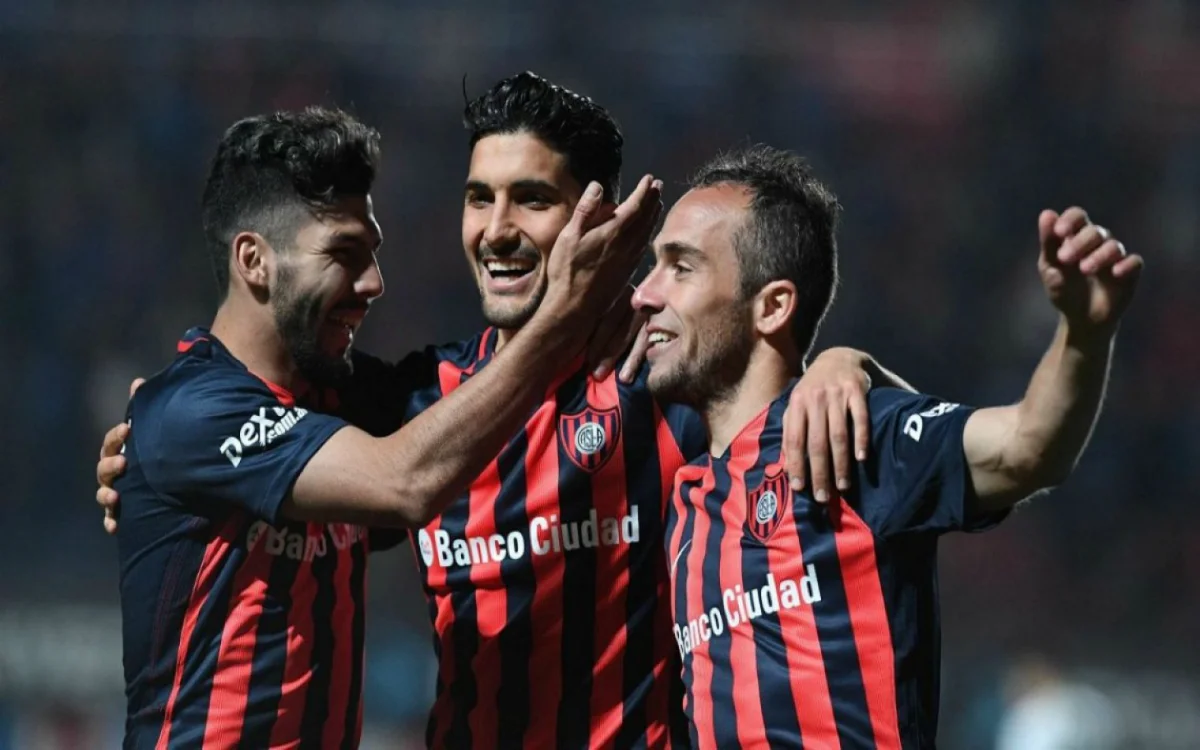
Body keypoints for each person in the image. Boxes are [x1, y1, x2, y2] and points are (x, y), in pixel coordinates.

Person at [97, 74, 906, 748]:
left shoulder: (664, 388)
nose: (497, 230)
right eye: (479, 198)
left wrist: (848, 365)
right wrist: (144, 451)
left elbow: (800, 405)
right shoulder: (411, 402)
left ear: (596, 223)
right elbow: (273, 422)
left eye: (531, 200)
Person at [114, 105, 664, 748]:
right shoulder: (190, 411)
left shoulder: (350, 406)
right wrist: (564, 315)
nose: (374, 283)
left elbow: (464, 421)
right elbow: (406, 483)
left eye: (372, 252)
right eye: (344, 254)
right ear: (254, 260)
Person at [632, 145, 1142, 748]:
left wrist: (1084, 335)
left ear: (772, 307)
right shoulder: (685, 500)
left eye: (680, 267)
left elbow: (1027, 447)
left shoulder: (849, 433)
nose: (646, 293)